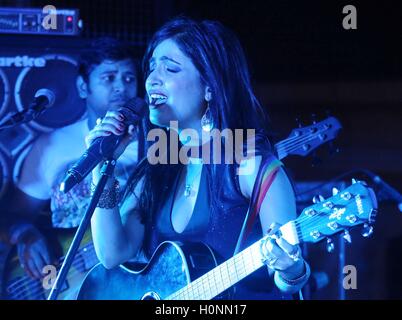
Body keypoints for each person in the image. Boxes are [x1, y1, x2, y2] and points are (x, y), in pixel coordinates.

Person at [88, 17, 311, 299]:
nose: (152, 79)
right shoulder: (157, 168)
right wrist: (103, 169)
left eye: (170, 68)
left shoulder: (251, 167)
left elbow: (287, 281)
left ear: (209, 87)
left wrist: (292, 270)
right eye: (152, 67)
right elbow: (111, 253)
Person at [0, 37, 143, 283]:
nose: (121, 87)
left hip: (132, 280)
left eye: (129, 79)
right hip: (67, 283)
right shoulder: (51, 146)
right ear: (82, 87)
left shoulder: (154, 146)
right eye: (109, 78)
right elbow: (9, 215)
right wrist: (25, 234)